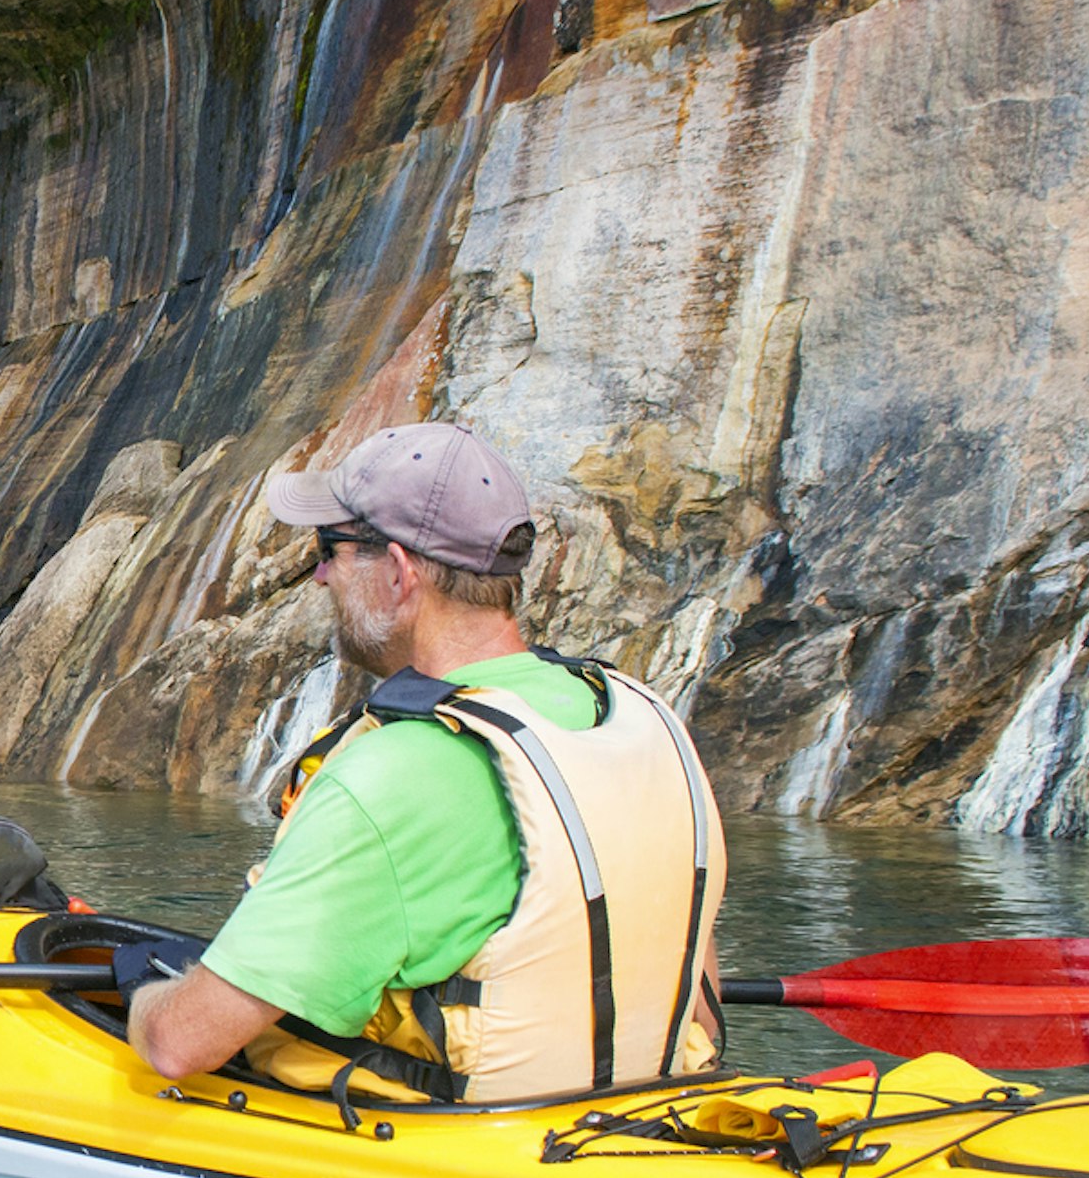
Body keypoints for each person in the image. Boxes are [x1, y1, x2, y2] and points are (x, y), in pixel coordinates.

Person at [124, 423, 724, 1104]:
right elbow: (699, 1006)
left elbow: (182, 1045)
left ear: (402, 573)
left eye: (330, 550)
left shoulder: (394, 773)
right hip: (647, 1117)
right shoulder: (643, 722)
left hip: (468, 1163)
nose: (319, 575)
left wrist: (144, 999)